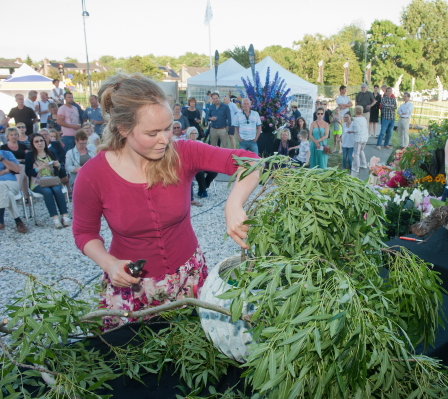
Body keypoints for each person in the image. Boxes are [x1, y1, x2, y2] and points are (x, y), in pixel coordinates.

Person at [71, 73, 260, 331]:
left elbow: (251, 161)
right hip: (133, 289)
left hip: (188, 278)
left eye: (168, 127)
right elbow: (84, 232)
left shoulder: (184, 153)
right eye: (152, 133)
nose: (165, 139)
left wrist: (233, 204)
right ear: (123, 129)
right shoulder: (92, 175)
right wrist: (109, 263)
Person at [25, 133, 70, 229]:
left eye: (41, 140)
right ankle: (55, 218)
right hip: (37, 182)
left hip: (52, 180)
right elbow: (28, 172)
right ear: (32, 144)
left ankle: (64, 216)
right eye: (36, 141)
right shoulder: (29, 155)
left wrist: (58, 166)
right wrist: (39, 168)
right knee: (47, 191)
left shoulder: (51, 153)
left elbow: (59, 171)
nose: (40, 143)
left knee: (57, 190)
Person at [0, 148, 29, 233]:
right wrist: (5, 171)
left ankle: (1, 221)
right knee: (8, 194)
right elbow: (11, 168)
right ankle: (18, 221)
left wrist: (2, 158)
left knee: (1, 186)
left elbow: (16, 169)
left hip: (12, 183)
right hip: (4, 188)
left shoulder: (7, 154)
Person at [349, 106, 368, 178]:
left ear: (355, 112)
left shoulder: (356, 120)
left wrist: (351, 131)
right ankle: (364, 163)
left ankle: (356, 168)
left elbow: (357, 130)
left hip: (358, 138)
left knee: (356, 153)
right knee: (361, 151)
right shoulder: (364, 118)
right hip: (365, 138)